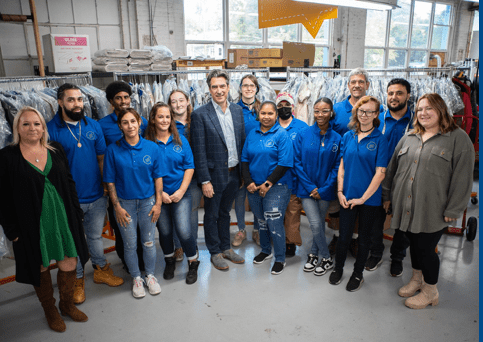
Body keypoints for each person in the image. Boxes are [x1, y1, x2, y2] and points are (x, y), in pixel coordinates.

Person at [0, 107, 89, 332]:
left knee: (69, 262)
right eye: (26, 124)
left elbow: (69, 184)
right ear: (17, 128)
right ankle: (50, 310)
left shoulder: (56, 150)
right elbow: (3, 197)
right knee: (39, 266)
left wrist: (77, 214)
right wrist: (12, 230)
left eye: (37, 123)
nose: (32, 128)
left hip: (63, 218)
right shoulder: (7, 156)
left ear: (43, 127)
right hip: (31, 224)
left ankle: (66, 305)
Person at [382, 93, 474, 309]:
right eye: (420, 109)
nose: (423, 113)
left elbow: (463, 177)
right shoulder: (409, 137)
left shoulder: (458, 139)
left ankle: (430, 290)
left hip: (433, 208)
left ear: (441, 110)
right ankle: (417, 279)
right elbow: (392, 170)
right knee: (413, 245)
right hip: (406, 206)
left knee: (426, 249)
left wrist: (454, 207)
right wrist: (387, 197)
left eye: (429, 108)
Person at [47, 84, 124, 306]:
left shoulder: (94, 126)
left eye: (80, 100)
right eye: (71, 100)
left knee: (95, 237)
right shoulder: (51, 129)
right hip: (69, 199)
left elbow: (102, 159)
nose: (77, 104)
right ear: (60, 102)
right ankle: (78, 278)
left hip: (97, 195)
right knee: (74, 241)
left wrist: (106, 187)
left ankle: (101, 269)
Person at [329, 96, 388, 292]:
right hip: (347, 196)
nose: (365, 115)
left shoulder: (380, 139)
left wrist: (363, 198)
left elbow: (380, 173)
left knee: (364, 239)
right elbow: (342, 166)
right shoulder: (348, 136)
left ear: (376, 114)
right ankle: (338, 268)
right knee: (344, 237)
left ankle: (357, 274)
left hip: (369, 199)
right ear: (356, 113)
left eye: (370, 111)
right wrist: (339, 191)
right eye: (361, 111)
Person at [103, 108, 164, 298]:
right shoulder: (113, 149)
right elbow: (110, 181)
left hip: (148, 203)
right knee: (130, 245)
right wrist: (117, 207)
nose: (130, 126)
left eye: (133, 121)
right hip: (125, 205)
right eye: (125, 122)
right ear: (120, 126)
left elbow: (158, 178)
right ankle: (137, 277)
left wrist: (158, 204)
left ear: (139, 123)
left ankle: (150, 276)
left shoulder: (152, 148)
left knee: (148, 242)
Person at [190, 69, 246, 271]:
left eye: (222, 86)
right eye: (214, 86)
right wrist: (204, 180)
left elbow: (241, 143)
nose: (219, 90)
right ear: (209, 89)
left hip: (234, 172)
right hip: (213, 176)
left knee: (225, 212)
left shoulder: (238, 111)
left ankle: (226, 248)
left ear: (229, 87)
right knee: (212, 214)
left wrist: (242, 174)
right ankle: (214, 251)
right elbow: (199, 151)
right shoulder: (199, 115)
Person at [329, 68, 382, 257]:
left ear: (367, 85)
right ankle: (339, 238)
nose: (357, 85)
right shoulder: (336, 108)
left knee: (362, 210)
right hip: (341, 167)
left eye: (361, 81)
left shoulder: (376, 109)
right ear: (348, 85)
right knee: (339, 208)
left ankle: (357, 241)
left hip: (364, 168)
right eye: (353, 82)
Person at [145, 102, 200, 284]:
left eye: (168, 117)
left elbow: (189, 166)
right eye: (160, 116)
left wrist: (181, 190)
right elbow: (146, 172)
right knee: (165, 231)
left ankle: (193, 262)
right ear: (153, 119)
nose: (164, 120)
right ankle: (169, 261)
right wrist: (160, 195)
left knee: (184, 231)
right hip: (158, 196)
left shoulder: (180, 140)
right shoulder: (147, 143)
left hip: (180, 193)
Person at [365, 78, 413, 275]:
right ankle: (376, 253)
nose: (394, 97)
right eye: (391, 93)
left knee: (403, 222)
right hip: (379, 177)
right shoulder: (378, 120)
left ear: (408, 96)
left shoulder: (417, 121)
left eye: (399, 93)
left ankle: (397, 257)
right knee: (376, 221)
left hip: (406, 179)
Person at [99, 81, 147, 273]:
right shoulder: (102, 125)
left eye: (126, 97)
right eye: (118, 98)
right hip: (117, 185)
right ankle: (126, 258)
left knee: (141, 226)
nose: (123, 101)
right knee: (121, 225)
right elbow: (101, 157)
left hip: (139, 183)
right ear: (111, 101)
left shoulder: (139, 120)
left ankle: (142, 258)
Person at [242, 101, 293, 275]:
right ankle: (266, 250)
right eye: (263, 113)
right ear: (259, 115)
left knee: (273, 220)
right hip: (254, 186)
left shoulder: (281, 134)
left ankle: (280, 258)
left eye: (270, 113)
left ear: (276, 115)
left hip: (277, 186)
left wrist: (267, 184)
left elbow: (284, 163)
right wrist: (248, 181)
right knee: (261, 220)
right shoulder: (252, 134)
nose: (266, 117)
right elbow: (245, 160)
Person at [294, 98, 341, 276]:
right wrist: (310, 187)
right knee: (314, 223)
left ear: (331, 113)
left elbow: (337, 166)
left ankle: (313, 254)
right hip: (306, 190)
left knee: (319, 223)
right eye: (317, 111)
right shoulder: (303, 134)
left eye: (324, 111)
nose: (320, 115)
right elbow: (297, 162)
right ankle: (327, 257)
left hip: (325, 191)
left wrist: (324, 188)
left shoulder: (337, 138)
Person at [168, 89, 202, 261]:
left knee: (192, 213)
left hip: (194, 177)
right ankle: (178, 247)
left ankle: (192, 245)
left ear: (188, 101)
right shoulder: (167, 124)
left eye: (181, 100)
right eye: (174, 101)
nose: (178, 104)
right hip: (174, 178)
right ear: (169, 105)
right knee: (176, 214)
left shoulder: (196, 121)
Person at [276, 92, 308, 257]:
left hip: (294, 179)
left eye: (286, 105)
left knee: (292, 213)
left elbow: (306, 154)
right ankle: (276, 239)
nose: (284, 108)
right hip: (274, 179)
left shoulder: (302, 127)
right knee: (275, 212)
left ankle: (290, 243)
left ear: (293, 107)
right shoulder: (271, 126)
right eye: (280, 105)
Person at [232, 74, 261, 247]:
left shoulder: (262, 108)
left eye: (252, 85)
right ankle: (241, 229)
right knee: (240, 195)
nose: (248, 88)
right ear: (240, 88)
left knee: (256, 196)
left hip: (258, 160)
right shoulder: (234, 109)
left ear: (257, 88)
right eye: (245, 85)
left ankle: (257, 230)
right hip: (239, 160)